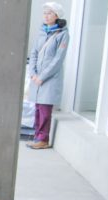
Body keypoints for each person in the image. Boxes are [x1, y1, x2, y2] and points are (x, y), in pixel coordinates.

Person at [27, 2, 69, 149]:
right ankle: (37, 137)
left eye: (49, 13)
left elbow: (57, 60)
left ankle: (43, 139)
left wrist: (42, 77)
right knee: (38, 109)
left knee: (45, 110)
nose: (46, 15)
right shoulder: (42, 32)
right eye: (45, 13)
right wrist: (32, 73)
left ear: (57, 16)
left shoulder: (62, 34)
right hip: (37, 78)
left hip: (49, 79)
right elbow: (34, 53)